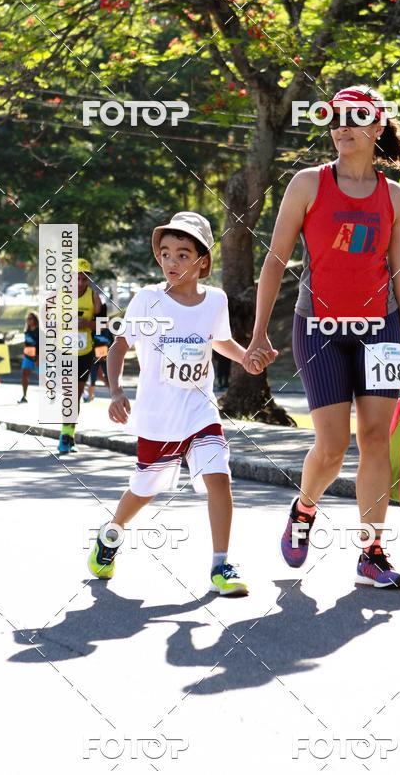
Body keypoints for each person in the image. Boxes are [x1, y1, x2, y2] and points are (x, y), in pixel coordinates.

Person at [245, 85, 400, 589]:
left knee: (377, 438)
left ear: (377, 127)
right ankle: (305, 507)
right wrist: (256, 336)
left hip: (380, 328)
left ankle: (372, 552)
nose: (342, 126)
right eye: (336, 117)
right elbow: (274, 262)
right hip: (318, 326)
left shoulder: (395, 196)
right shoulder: (307, 184)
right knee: (334, 445)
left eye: (356, 118)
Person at [87, 212, 271, 595]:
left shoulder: (215, 300)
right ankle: (111, 535)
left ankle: (222, 566)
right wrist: (116, 391)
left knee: (219, 478)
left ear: (203, 260)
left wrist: (245, 358)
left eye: (183, 254)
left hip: (199, 409)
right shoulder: (148, 300)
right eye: (166, 253)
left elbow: (218, 340)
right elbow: (121, 344)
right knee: (145, 489)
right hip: (158, 415)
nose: (172, 261)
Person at [57, 258, 102, 453]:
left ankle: (68, 434)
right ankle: (64, 435)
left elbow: (103, 325)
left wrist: (87, 325)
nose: (81, 283)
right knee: (69, 392)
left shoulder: (94, 298)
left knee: (75, 395)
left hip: (84, 352)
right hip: (64, 351)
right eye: (77, 279)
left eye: (84, 279)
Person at [83, 302, 112, 403]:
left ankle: (113, 395)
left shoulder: (107, 332)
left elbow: (112, 345)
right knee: (93, 378)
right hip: (94, 358)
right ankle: (90, 396)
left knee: (108, 378)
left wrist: (107, 354)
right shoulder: (92, 331)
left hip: (104, 358)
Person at [19, 311, 40, 404]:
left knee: (43, 377)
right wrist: (24, 353)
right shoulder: (27, 331)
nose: (29, 320)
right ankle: (24, 396)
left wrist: (38, 358)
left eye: (31, 318)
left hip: (39, 356)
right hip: (28, 356)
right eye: (28, 319)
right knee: (24, 374)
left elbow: (42, 345)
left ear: (35, 320)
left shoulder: (40, 331)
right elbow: (26, 343)